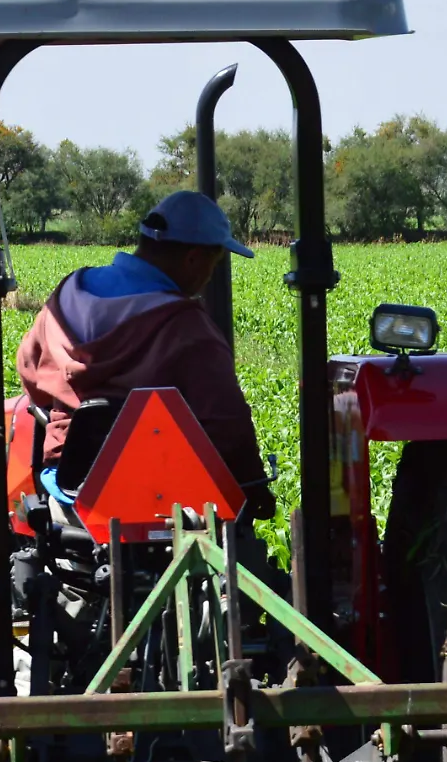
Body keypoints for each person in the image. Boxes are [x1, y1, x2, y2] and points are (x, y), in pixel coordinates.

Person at [16, 190, 275, 521]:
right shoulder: (186, 327)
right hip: (163, 504)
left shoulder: (69, 294)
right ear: (193, 258)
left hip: (68, 489)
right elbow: (227, 423)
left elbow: (28, 369)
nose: (209, 277)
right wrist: (252, 488)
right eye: (213, 264)